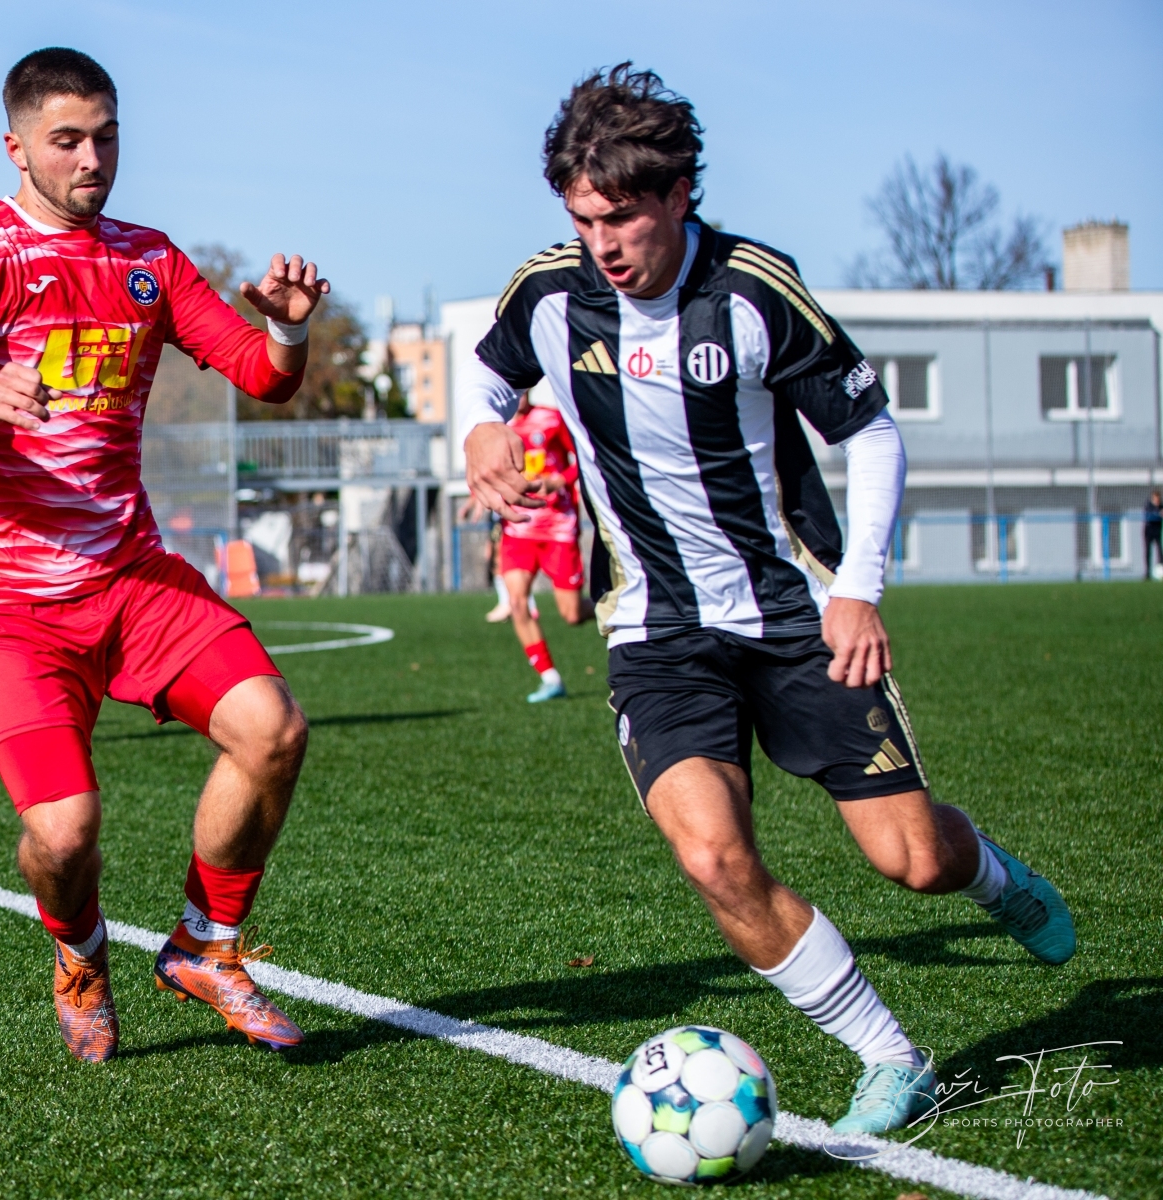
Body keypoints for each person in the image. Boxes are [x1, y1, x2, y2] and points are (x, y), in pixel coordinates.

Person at [459, 65, 1075, 1134]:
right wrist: (479, 427)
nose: (603, 244)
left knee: (911, 860)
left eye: (623, 217)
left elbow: (870, 434)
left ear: (678, 195)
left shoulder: (751, 291)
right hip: (656, 630)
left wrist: (859, 590)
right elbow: (487, 374)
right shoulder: (550, 294)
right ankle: (891, 1056)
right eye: (583, 219)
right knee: (712, 855)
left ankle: (989, 875)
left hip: (795, 617)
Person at [0, 48, 329, 1063]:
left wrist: (286, 332)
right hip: (4, 600)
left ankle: (205, 946)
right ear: (16, 147)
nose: (92, 159)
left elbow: (261, 375)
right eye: (67, 141)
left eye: (106, 137)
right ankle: (81, 954)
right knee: (64, 833)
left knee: (273, 731)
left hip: (130, 577)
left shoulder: (148, 258)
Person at [500, 389, 586, 702]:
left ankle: (616, 606)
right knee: (517, 602)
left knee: (572, 614)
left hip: (557, 528)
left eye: (521, 388)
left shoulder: (551, 418)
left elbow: (584, 458)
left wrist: (558, 481)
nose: (518, 394)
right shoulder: (497, 427)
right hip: (518, 529)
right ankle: (550, 678)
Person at [1145, 489, 1161, 579]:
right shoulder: (1148, 505)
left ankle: (1160, 569)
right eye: (1156, 499)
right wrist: (1158, 513)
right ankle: (1147, 572)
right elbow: (1148, 516)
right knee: (1148, 551)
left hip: (1157, 530)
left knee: (1160, 551)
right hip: (1149, 531)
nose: (1157, 501)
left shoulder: (1161, 506)